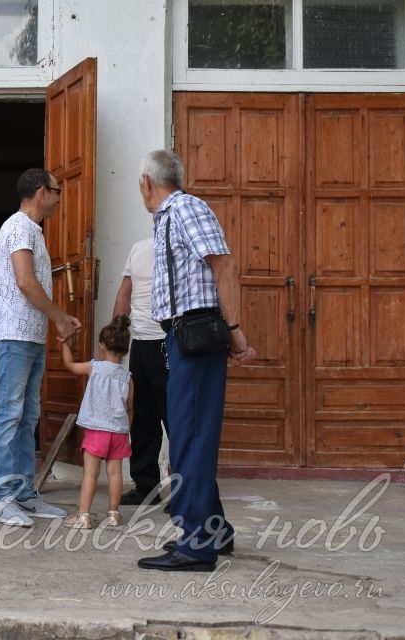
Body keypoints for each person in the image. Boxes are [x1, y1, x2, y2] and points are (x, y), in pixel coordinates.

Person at [135, 149, 255, 572]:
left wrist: (235, 329)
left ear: (147, 182)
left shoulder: (186, 207)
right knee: (188, 435)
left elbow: (224, 265)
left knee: (192, 437)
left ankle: (198, 544)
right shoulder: (168, 215)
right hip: (181, 337)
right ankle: (212, 530)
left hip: (198, 334)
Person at [0, 168, 81, 527]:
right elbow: (25, 281)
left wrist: (53, 320)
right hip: (12, 334)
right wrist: (59, 317)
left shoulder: (30, 230)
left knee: (26, 417)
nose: (59, 197)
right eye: (57, 191)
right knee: (9, 414)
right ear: (41, 192)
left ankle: (22, 494)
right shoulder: (19, 227)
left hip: (28, 335)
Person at [60, 315, 134, 529]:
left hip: (97, 431)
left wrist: (65, 344)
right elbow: (130, 408)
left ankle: (83, 516)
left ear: (102, 346)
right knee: (115, 473)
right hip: (119, 433)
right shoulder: (128, 378)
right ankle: (114, 514)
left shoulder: (94, 368)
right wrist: (125, 429)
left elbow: (69, 365)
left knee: (90, 475)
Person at [113, 238, 169, 507]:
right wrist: (117, 338)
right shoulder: (139, 248)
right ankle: (146, 487)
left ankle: (185, 491)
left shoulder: (184, 248)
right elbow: (125, 292)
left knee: (176, 418)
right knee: (143, 418)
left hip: (171, 343)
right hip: (141, 343)